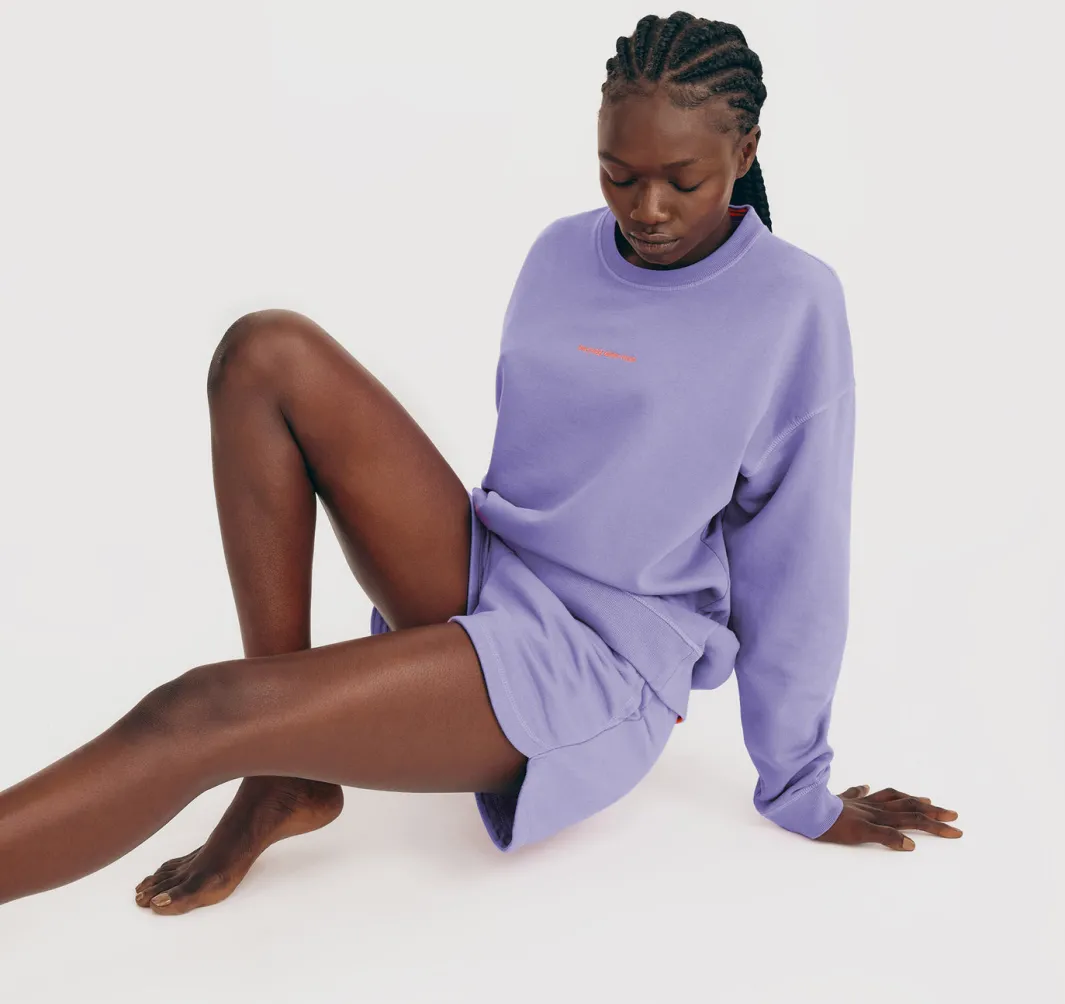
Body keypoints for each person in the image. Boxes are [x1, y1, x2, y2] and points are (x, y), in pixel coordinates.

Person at [0, 11, 961, 916]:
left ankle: (263, 744)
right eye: (617, 174)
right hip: (489, 568)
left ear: (744, 154)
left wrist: (798, 786)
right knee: (265, 352)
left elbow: (797, 558)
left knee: (201, 710)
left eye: (682, 179)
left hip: (595, 659)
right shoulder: (559, 253)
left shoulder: (792, 305)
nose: (647, 208)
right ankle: (285, 772)